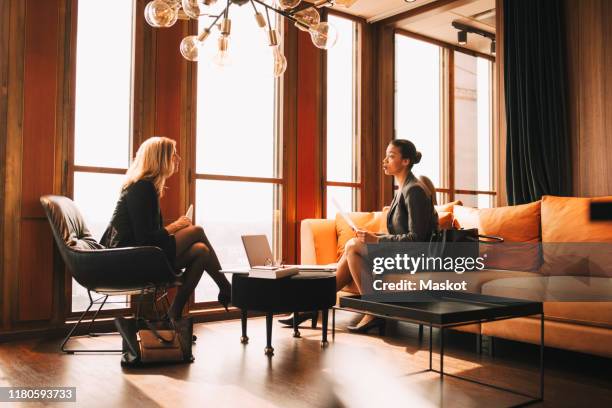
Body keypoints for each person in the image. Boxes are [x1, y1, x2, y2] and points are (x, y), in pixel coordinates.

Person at [280, 139, 438, 333]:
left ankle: (365, 310)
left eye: (391, 156)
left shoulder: (414, 190)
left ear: (405, 161)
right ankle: (316, 306)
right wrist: (372, 236)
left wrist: (377, 240)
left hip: (415, 259)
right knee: (351, 251)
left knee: (352, 246)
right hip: (401, 255)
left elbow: (417, 239)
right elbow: (402, 233)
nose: (384, 160)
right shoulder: (402, 189)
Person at [101, 136, 231, 320]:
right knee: (197, 231)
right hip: (129, 258)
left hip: (142, 254)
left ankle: (173, 315)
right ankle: (226, 288)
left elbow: (149, 236)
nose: (178, 159)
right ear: (160, 159)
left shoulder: (147, 187)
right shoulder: (142, 188)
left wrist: (174, 228)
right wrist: (176, 226)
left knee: (201, 251)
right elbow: (145, 239)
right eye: (173, 155)